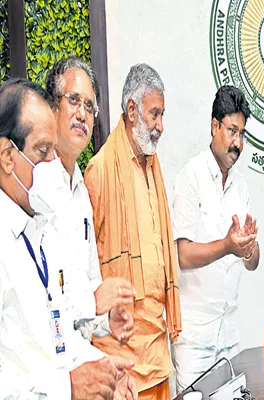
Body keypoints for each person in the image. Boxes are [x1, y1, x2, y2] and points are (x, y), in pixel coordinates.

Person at [0, 77, 136, 399]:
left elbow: (58, 337)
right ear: (7, 156)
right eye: (43, 151)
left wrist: (103, 368)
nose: (51, 165)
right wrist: (67, 387)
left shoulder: (39, 230)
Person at [85, 63, 182, 399]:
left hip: (157, 349)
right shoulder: (99, 171)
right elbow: (87, 264)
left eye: (161, 115)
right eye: (154, 114)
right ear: (131, 109)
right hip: (122, 355)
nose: (160, 126)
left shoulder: (153, 166)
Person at [171, 85, 260, 392]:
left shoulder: (240, 185)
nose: (238, 143)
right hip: (195, 339)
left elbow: (252, 263)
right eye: (232, 131)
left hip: (229, 334)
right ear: (214, 126)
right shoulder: (191, 177)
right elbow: (182, 256)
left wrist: (249, 247)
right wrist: (227, 246)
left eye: (242, 134)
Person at [44, 57, 136, 343]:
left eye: (89, 106)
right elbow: (42, 292)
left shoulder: (81, 190)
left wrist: (107, 318)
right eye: (73, 100)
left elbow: (88, 278)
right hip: (49, 362)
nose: (82, 114)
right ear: (51, 107)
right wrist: (94, 303)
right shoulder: (36, 185)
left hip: (79, 354)